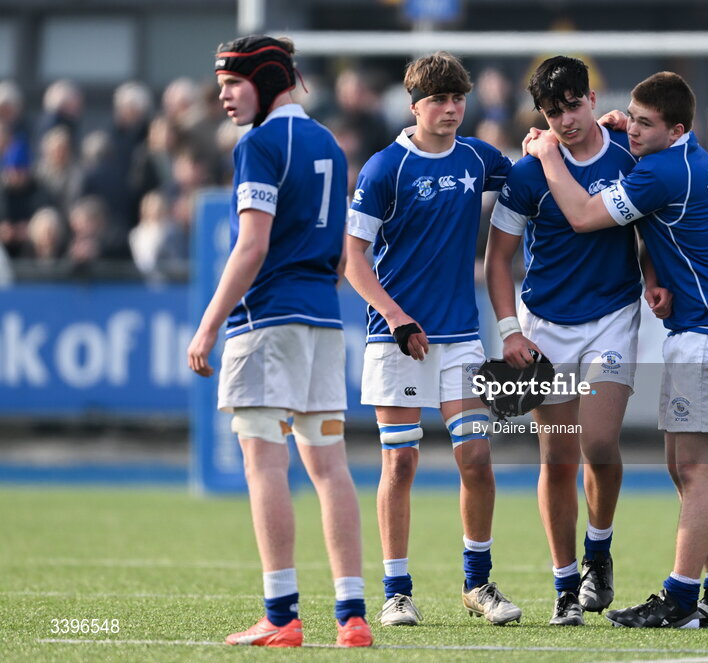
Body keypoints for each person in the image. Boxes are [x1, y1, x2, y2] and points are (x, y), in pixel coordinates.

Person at [525, 71, 708, 629]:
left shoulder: (660, 171)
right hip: (700, 330)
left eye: (645, 123)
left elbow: (584, 216)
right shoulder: (684, 152)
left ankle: (680, 598)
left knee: (698, 471)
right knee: (686, 468)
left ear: (675, 129)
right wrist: (627, 129)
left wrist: (549, 153)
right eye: (630, 116)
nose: (632, 128)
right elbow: (653, 221)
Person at [186, 35, 371, 648]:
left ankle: (281, 614)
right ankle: (352, 617)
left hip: (267, 321)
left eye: (231, 85)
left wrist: (209, 323)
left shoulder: (258, 144)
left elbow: (252, 245)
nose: (224, 98)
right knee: (329, 465)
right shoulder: (328, 143)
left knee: (264, 460)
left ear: (265, 81)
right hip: (322, 319)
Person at [484, 55, 670, 626]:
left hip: (612, 318)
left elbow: (652, 225)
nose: (565, 120)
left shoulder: (627, 153)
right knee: (557, 455)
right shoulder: (526, 172)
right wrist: (510, 331)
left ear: (591, 98)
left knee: (597, 442)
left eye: (572, 105)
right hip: (544, 328)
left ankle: (599, 549)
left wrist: (655, 278)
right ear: (539, 113)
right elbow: (497, 261)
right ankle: (566, 585)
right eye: (552, 111)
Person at [345, 51, 521, 627]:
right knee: (400, 464)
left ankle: (478, 584)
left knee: (476, 458)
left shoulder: (478, 158)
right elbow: (352, 259)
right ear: (414, 106)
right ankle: (396, 591)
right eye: (439, 100)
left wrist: (569, 138)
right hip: (396, 339)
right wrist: (396, 316)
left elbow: (533, 177)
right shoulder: (383, 170)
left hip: (461, 337)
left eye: (458, 99)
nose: (451, 110)